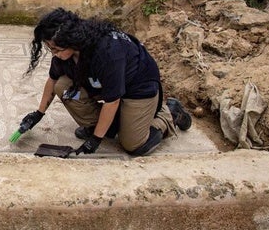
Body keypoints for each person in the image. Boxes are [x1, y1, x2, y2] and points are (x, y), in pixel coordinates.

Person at [18, 9, 191, 156]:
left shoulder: (108, 53)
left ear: (71, 40)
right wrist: (39, 113)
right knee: (63, 87)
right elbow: (53, 80)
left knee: (133, 145)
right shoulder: (67, 54)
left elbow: (112, 100)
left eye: (56, 49)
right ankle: (109, 125)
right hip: (105, 86)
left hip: (138, 89)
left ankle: (170, 113)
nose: (53, 53)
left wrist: (96, 139)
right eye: (50, 48)